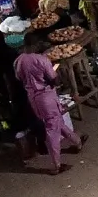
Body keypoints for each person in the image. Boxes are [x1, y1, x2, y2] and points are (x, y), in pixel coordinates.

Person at [15, 32, 81, 173]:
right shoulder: (41, 59)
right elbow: (54, 79)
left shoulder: (19, 60)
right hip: (46, 96)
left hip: (33, 97)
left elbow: (19, 77)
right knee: (52, 128)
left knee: (56, 121)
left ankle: (77, 142)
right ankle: (56, 164)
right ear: (35, 44)